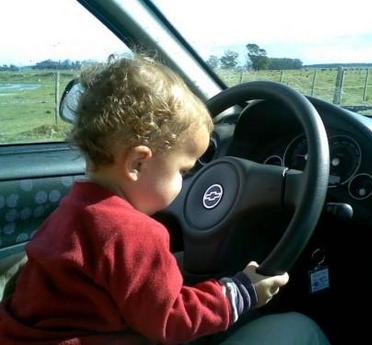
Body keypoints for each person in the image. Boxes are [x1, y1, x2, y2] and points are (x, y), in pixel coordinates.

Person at [0, 54, 329, 345]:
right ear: (138, 163)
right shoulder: (134, 234)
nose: (186, 181)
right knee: (302, 330)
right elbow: (171, 321)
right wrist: (242, 291)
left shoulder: (72, 212)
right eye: (183, 171)